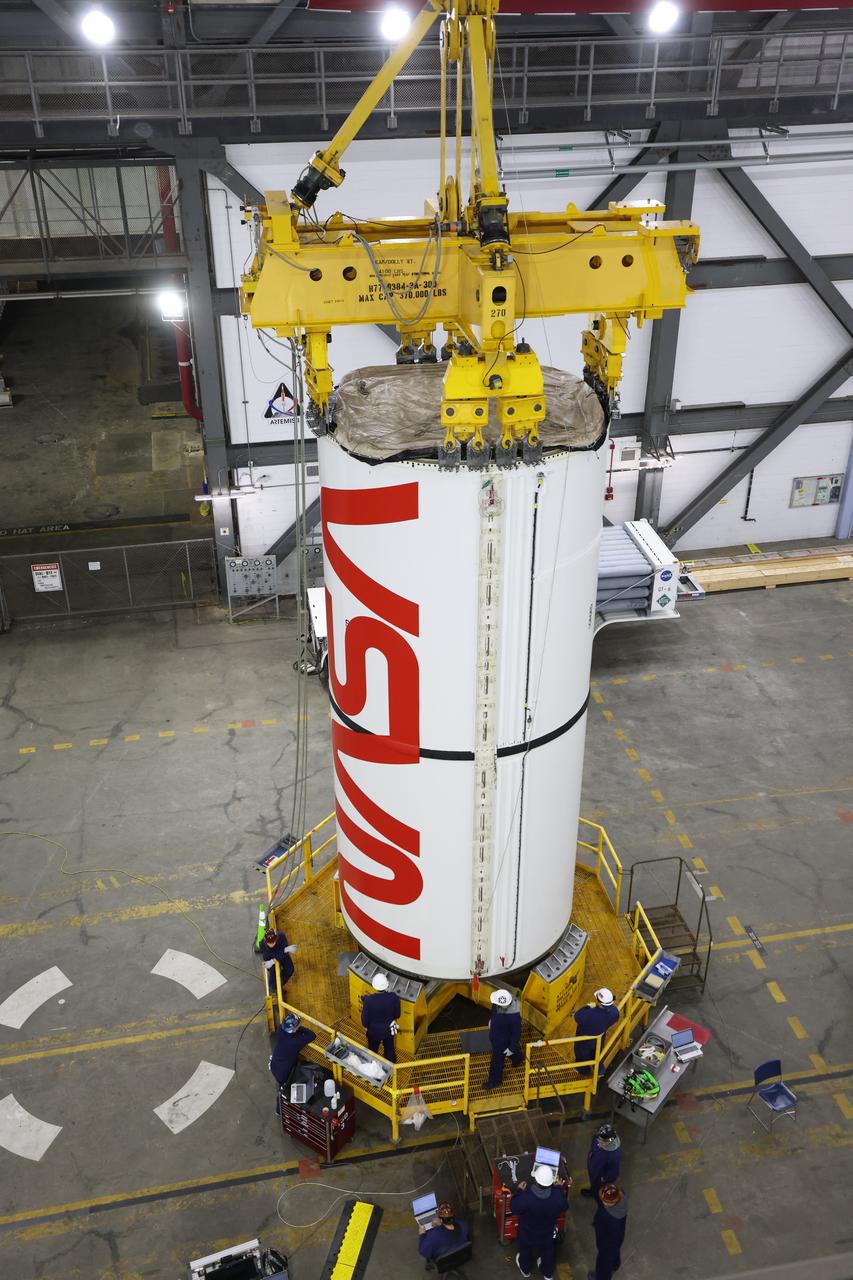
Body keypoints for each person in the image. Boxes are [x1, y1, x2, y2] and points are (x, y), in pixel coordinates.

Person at [510, 1165, 569, 1280]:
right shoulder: (557, 1197)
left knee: (525, 1249)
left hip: (527, 1232)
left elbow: (514, 1207)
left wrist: (518, 1190)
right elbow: (564, 1206)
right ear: (551, 1182)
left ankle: (525, 1270)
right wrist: (559, 1189)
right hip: (546, 1232)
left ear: (536, 1179)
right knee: (548, 1251)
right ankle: (547, 1274)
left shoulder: (525, 1197)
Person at [573, 988, 619, 1077]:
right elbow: (614, 1021)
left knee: (582, 1055)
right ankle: (599, 1071)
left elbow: (577, 1017)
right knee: (597, 1054)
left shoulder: (588, 1014)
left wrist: (588, 1007)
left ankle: (584, 1071)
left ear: (598, 1001)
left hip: (584, 1040)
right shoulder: (614, 1012)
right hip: (600, 1037)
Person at [484, 989, 523, 1089]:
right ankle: (518, 1058)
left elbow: (516, 1033)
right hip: (496, 1036)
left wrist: (512, 1047)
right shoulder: (497, 1005)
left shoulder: (514, 1017)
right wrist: (491, 1022)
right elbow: (493, 1012)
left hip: (503, 1042)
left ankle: (495, 1081)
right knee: (510, 1053)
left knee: (497, 1062)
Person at [588, 1183, 628, 1280]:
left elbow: (602, 1230)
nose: (603, 1202)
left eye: (605, 1201)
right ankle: (615, 1264)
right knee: (614, 1252)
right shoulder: (622, 1198)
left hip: (608, 1243)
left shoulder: (608, 1217)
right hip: (617, 1239)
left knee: (603, 1263)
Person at [361, 972, 401, 1063]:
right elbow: (397, 1015)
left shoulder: (368, 1000)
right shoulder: (394, 998)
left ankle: (372, 1069)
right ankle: (391, 1071)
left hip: (374, 1032)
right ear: (387, 985)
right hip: (389, 1031)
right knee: (389, 1051)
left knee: (372, 1052)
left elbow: (364, 1022)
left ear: (374, 986)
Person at [417, 1201, 470, 1269]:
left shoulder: (434, 1235)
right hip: (462, 1257)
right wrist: (441, 1224)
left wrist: (422, 1234)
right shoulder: (463, 1226)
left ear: (441, 1219)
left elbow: (423, 1252)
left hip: (444, 1262)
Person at [269, 1012, 316, 1088]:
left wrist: (295, 1028)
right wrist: (299, 1027)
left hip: (275, 1065)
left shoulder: (280, 1029)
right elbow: (312, 1035)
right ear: (293, 1029)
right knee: (286, 1088)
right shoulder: (295, 1041)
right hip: (284, 1073)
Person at [580, 1125, 621, 1199]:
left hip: (600, 1175)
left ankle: (595, 1194)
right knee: (594, 1182)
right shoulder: (601, 1138)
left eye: (600, 1140)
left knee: (597, 1186)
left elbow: (613, 1170)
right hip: (594, 1166)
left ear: (607, 1142)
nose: (598, 1140)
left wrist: (605, 1178)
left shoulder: (612, 1154)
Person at [259, 927, 297, 994]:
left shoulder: (282, 936)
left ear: (276, 938)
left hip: (280, 956)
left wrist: (273, 960)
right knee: (272, 972)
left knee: (290, 970)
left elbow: (283, 954)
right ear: (265, 940)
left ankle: (278, 986)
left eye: (273, 942)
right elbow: (274, 954)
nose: (271, 945)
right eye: (269, 943)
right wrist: (285, 949)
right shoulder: (261, 944)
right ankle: (273, 988)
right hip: (269, 958)